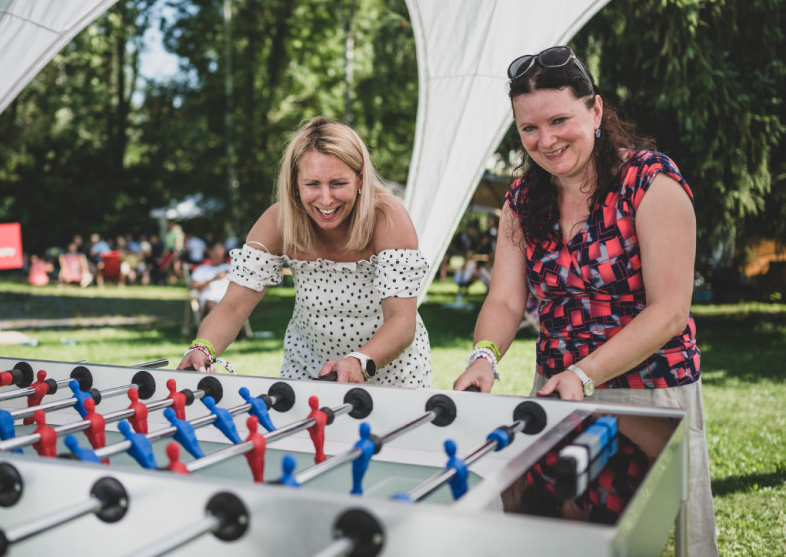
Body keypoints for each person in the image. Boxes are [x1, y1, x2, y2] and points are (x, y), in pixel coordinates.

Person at [453, 46, 717, 555]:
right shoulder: (521, 199)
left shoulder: (651, 181)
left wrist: (584, 373)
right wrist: (484, 357)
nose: (546, 140)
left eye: (559, 121)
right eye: (529, 129)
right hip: (558, 394)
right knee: (554, 541)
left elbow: (669, 311)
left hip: (650, 395)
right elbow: (505, 301)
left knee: (650, 540)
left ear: (595, 111)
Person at [177, 117, 431, 387]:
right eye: (312, 184)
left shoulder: (387, 218)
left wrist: (358, 361)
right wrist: (202, 348)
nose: (326, 199)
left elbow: (401, 320)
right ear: (294, 183)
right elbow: (233, 306)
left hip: (391, 375)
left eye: (338, 183)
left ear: (360, 178)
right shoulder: (277, 222)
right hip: (308, 369)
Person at [189, 241, 232, 319]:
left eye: (221, 252)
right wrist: (214, 279)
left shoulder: (230, 268)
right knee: (212, 304)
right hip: (210, 298)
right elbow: (194, 286)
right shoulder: (201, 269)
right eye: (217, 252)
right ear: (210, 253)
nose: (220, 255)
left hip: (228, 299)